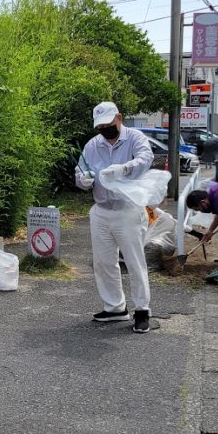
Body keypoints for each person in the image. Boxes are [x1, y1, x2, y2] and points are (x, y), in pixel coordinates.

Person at [74, 101, 155, 333]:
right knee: (103, 261)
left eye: (108, 124)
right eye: (100, 127)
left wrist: (124, 168)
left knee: (134, 261)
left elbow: (145, 159)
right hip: (101, 209)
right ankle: (115, 307)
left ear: (119, 117)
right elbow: (80, 170)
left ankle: (142, 309)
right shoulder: (92, 145)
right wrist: (83, 179)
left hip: (128, 209)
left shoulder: (135, 138)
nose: (104, 130)